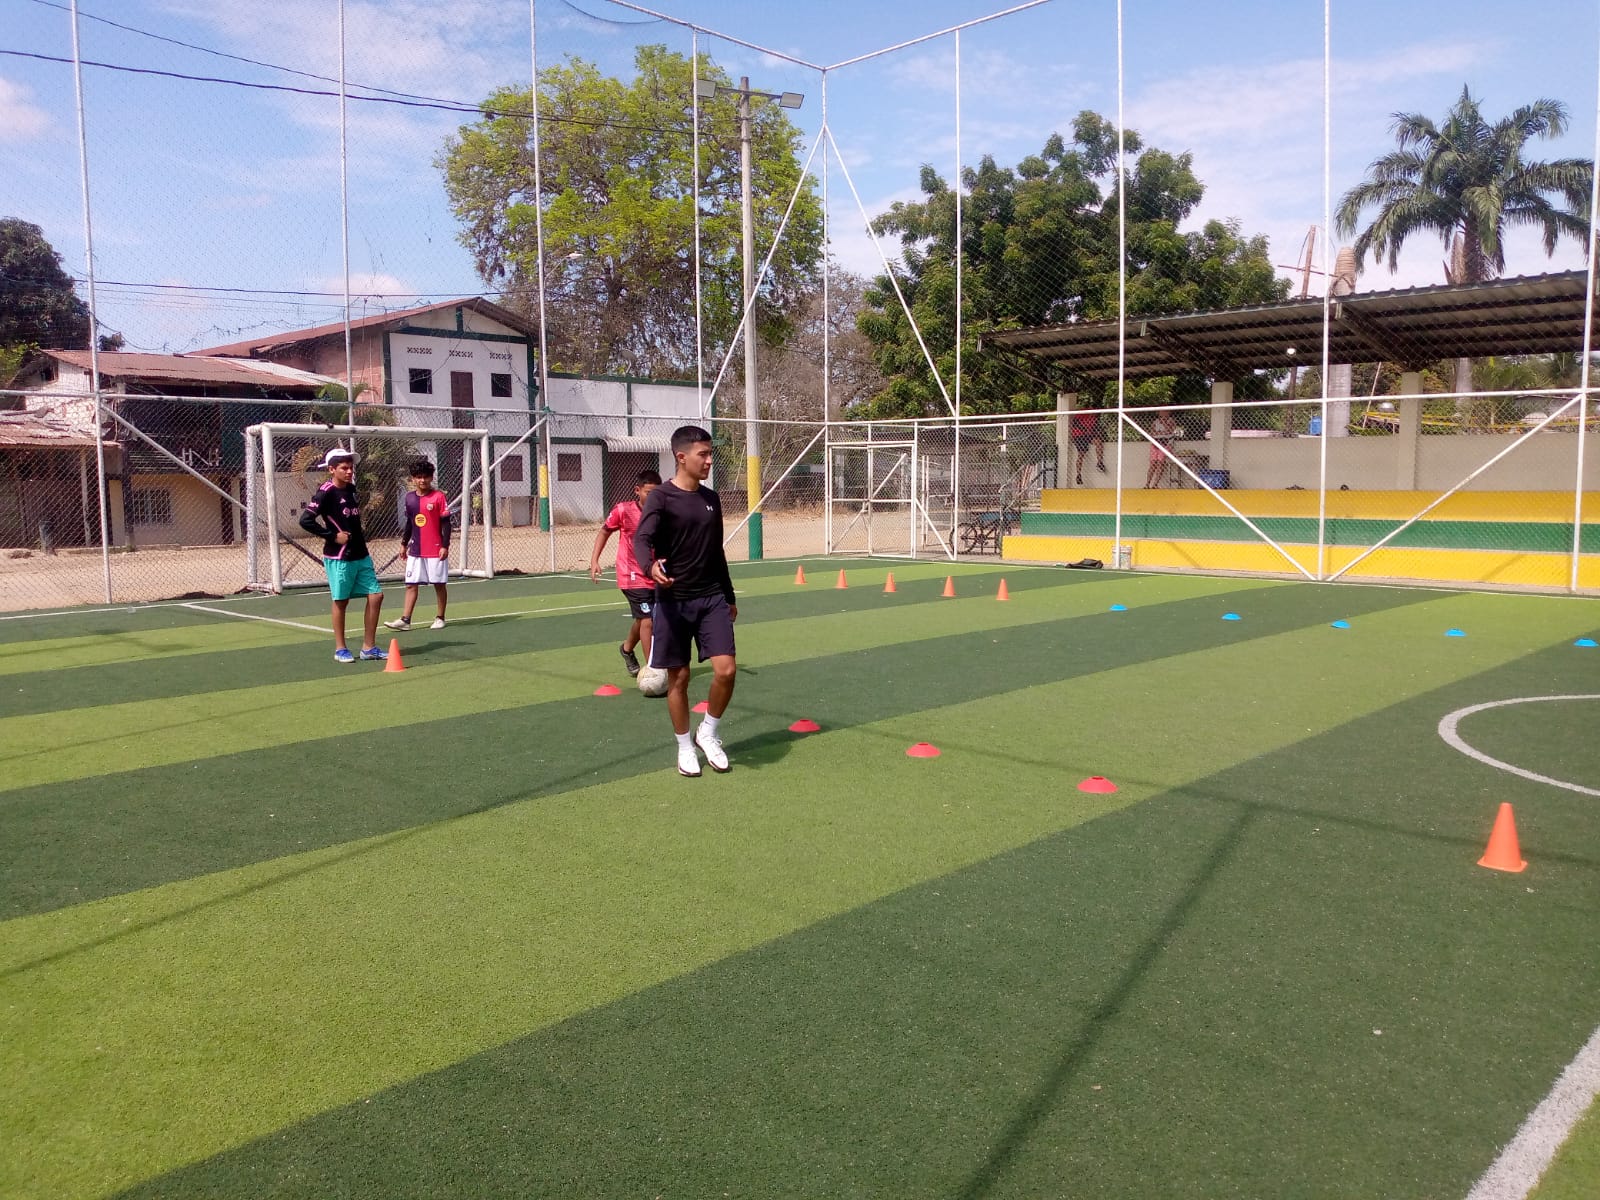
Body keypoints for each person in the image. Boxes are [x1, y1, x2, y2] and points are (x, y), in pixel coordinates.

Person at [632, 426, 737, 778]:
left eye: (710, 454)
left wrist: (729, 595)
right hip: (673, 601)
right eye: (702, 454)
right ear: (681, 457)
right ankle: (684, 747)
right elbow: (642, 539)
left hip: (711, 598)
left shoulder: (712, 499)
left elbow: (716, 552)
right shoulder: (661, 497)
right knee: (679, 679)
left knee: (726, 670)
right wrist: (650, 566)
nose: (709, 461)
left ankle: (707, 732)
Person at [299, 447, 386, 663]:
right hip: (340, 556)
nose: (349, 472)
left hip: (361, 553)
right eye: (344, 468)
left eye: (351, 468)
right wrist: (332, 536)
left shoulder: (351, 489)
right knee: (341, 601)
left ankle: (369, 647)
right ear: (332, 469)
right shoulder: (325, 492)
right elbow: (305, 520)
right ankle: (340, 649)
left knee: (376, 596)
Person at [589, 468, 661, 676]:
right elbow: (604, 531)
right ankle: (653, 669)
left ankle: (627, 649)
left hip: (655, 573)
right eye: (649, 493)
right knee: (648, 620)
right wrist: (594, 560)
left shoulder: (662, 512)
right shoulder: (623, 510)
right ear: (637, 491)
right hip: (631, 575)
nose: (653, 497)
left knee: (646, 618)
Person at [386, 458, 451, 632]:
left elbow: (446, 524)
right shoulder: (409, 498)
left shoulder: (438, 497)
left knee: (439, 584)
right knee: (411, 584)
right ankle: (405, 620)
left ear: (431, 477)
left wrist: (445, 546)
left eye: (426, 477)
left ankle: (440, 617)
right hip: (415, 550)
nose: (422, 480)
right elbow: (410, 523)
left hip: (435, 549)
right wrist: (403, 544)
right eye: (418, 477)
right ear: (413, 478)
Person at [1068, 407, 1107, 485]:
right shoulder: (1085, 412)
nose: (1097, 414)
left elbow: (1094, 428)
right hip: (1078, 435)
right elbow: (1075, 422)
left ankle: (1099, 462)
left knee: (1098, 442)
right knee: (1081, 454)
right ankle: (1078, 474)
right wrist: (1085, 430)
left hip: (1087, 435)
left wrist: (1100, 434)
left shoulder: (1095, 418)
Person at [1146, 410, 1181, 489]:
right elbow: (1152, 432)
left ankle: (1155, 484)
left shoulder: (1171, 421)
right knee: (1153, 463)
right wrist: (1160, 433)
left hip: (1165, 443)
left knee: (1160, 462)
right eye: (1161, 412)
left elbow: (1171, 431)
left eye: (1165, 412)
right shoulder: (1156, 422)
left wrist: (1164, 424)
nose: (1163, 414)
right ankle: (1147, 484)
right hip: (1155, 443)